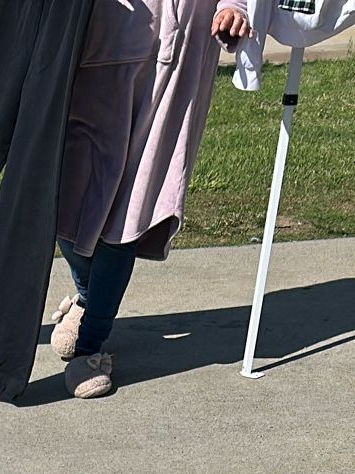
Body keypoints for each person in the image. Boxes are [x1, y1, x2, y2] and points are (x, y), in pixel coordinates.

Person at [52, 1, 251, 398]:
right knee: (64, 196)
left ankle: (91, 344)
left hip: (178, 69)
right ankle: (90, 295)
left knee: (132, 208)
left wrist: (235, 6)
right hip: (99, 54)